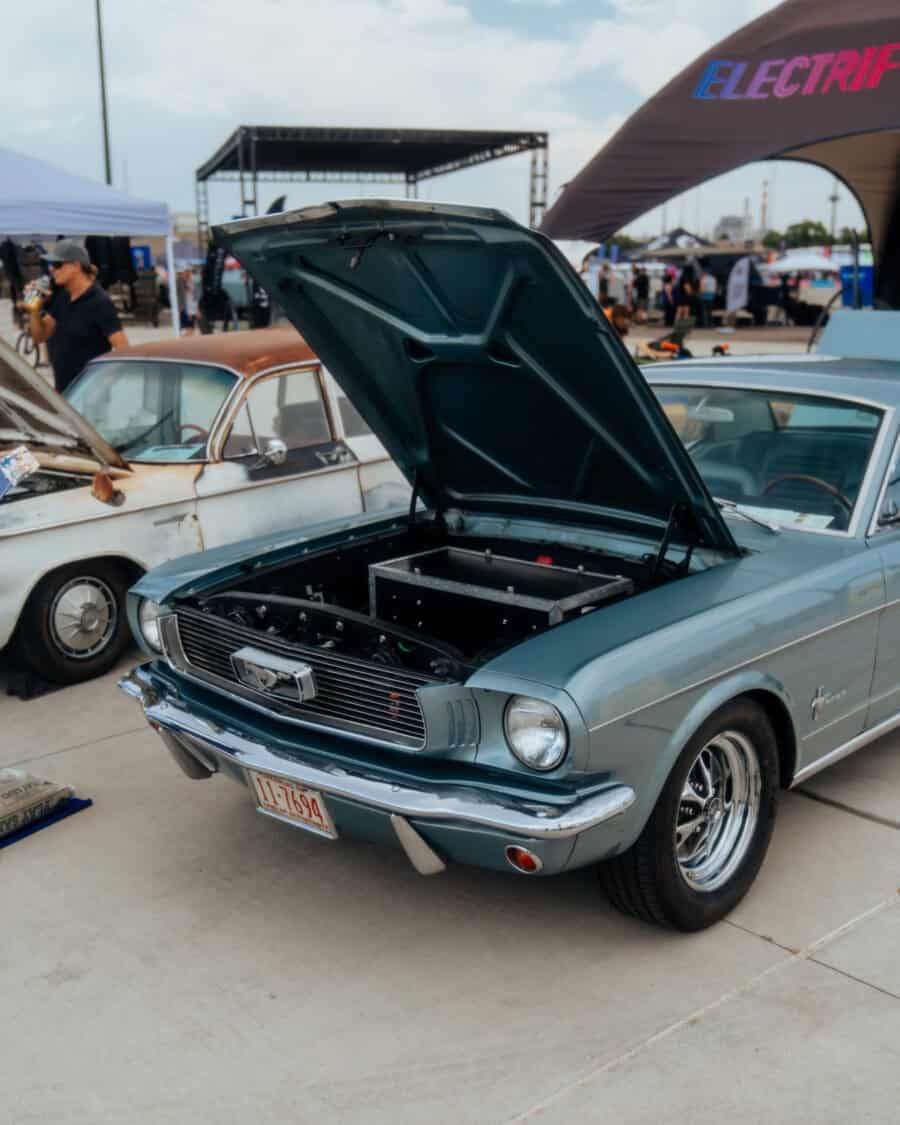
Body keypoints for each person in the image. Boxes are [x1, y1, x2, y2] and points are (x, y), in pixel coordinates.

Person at [25, 240, 128, 393]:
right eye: (51, 265)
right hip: (64, 391)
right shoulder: (63, 296)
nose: (52, 270)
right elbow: (39, 337)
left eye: (57, 265)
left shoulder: (99, 301)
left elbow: (123, 350)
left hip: (89, 396)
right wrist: (33, 310)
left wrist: (104, 385)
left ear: (75, 266)